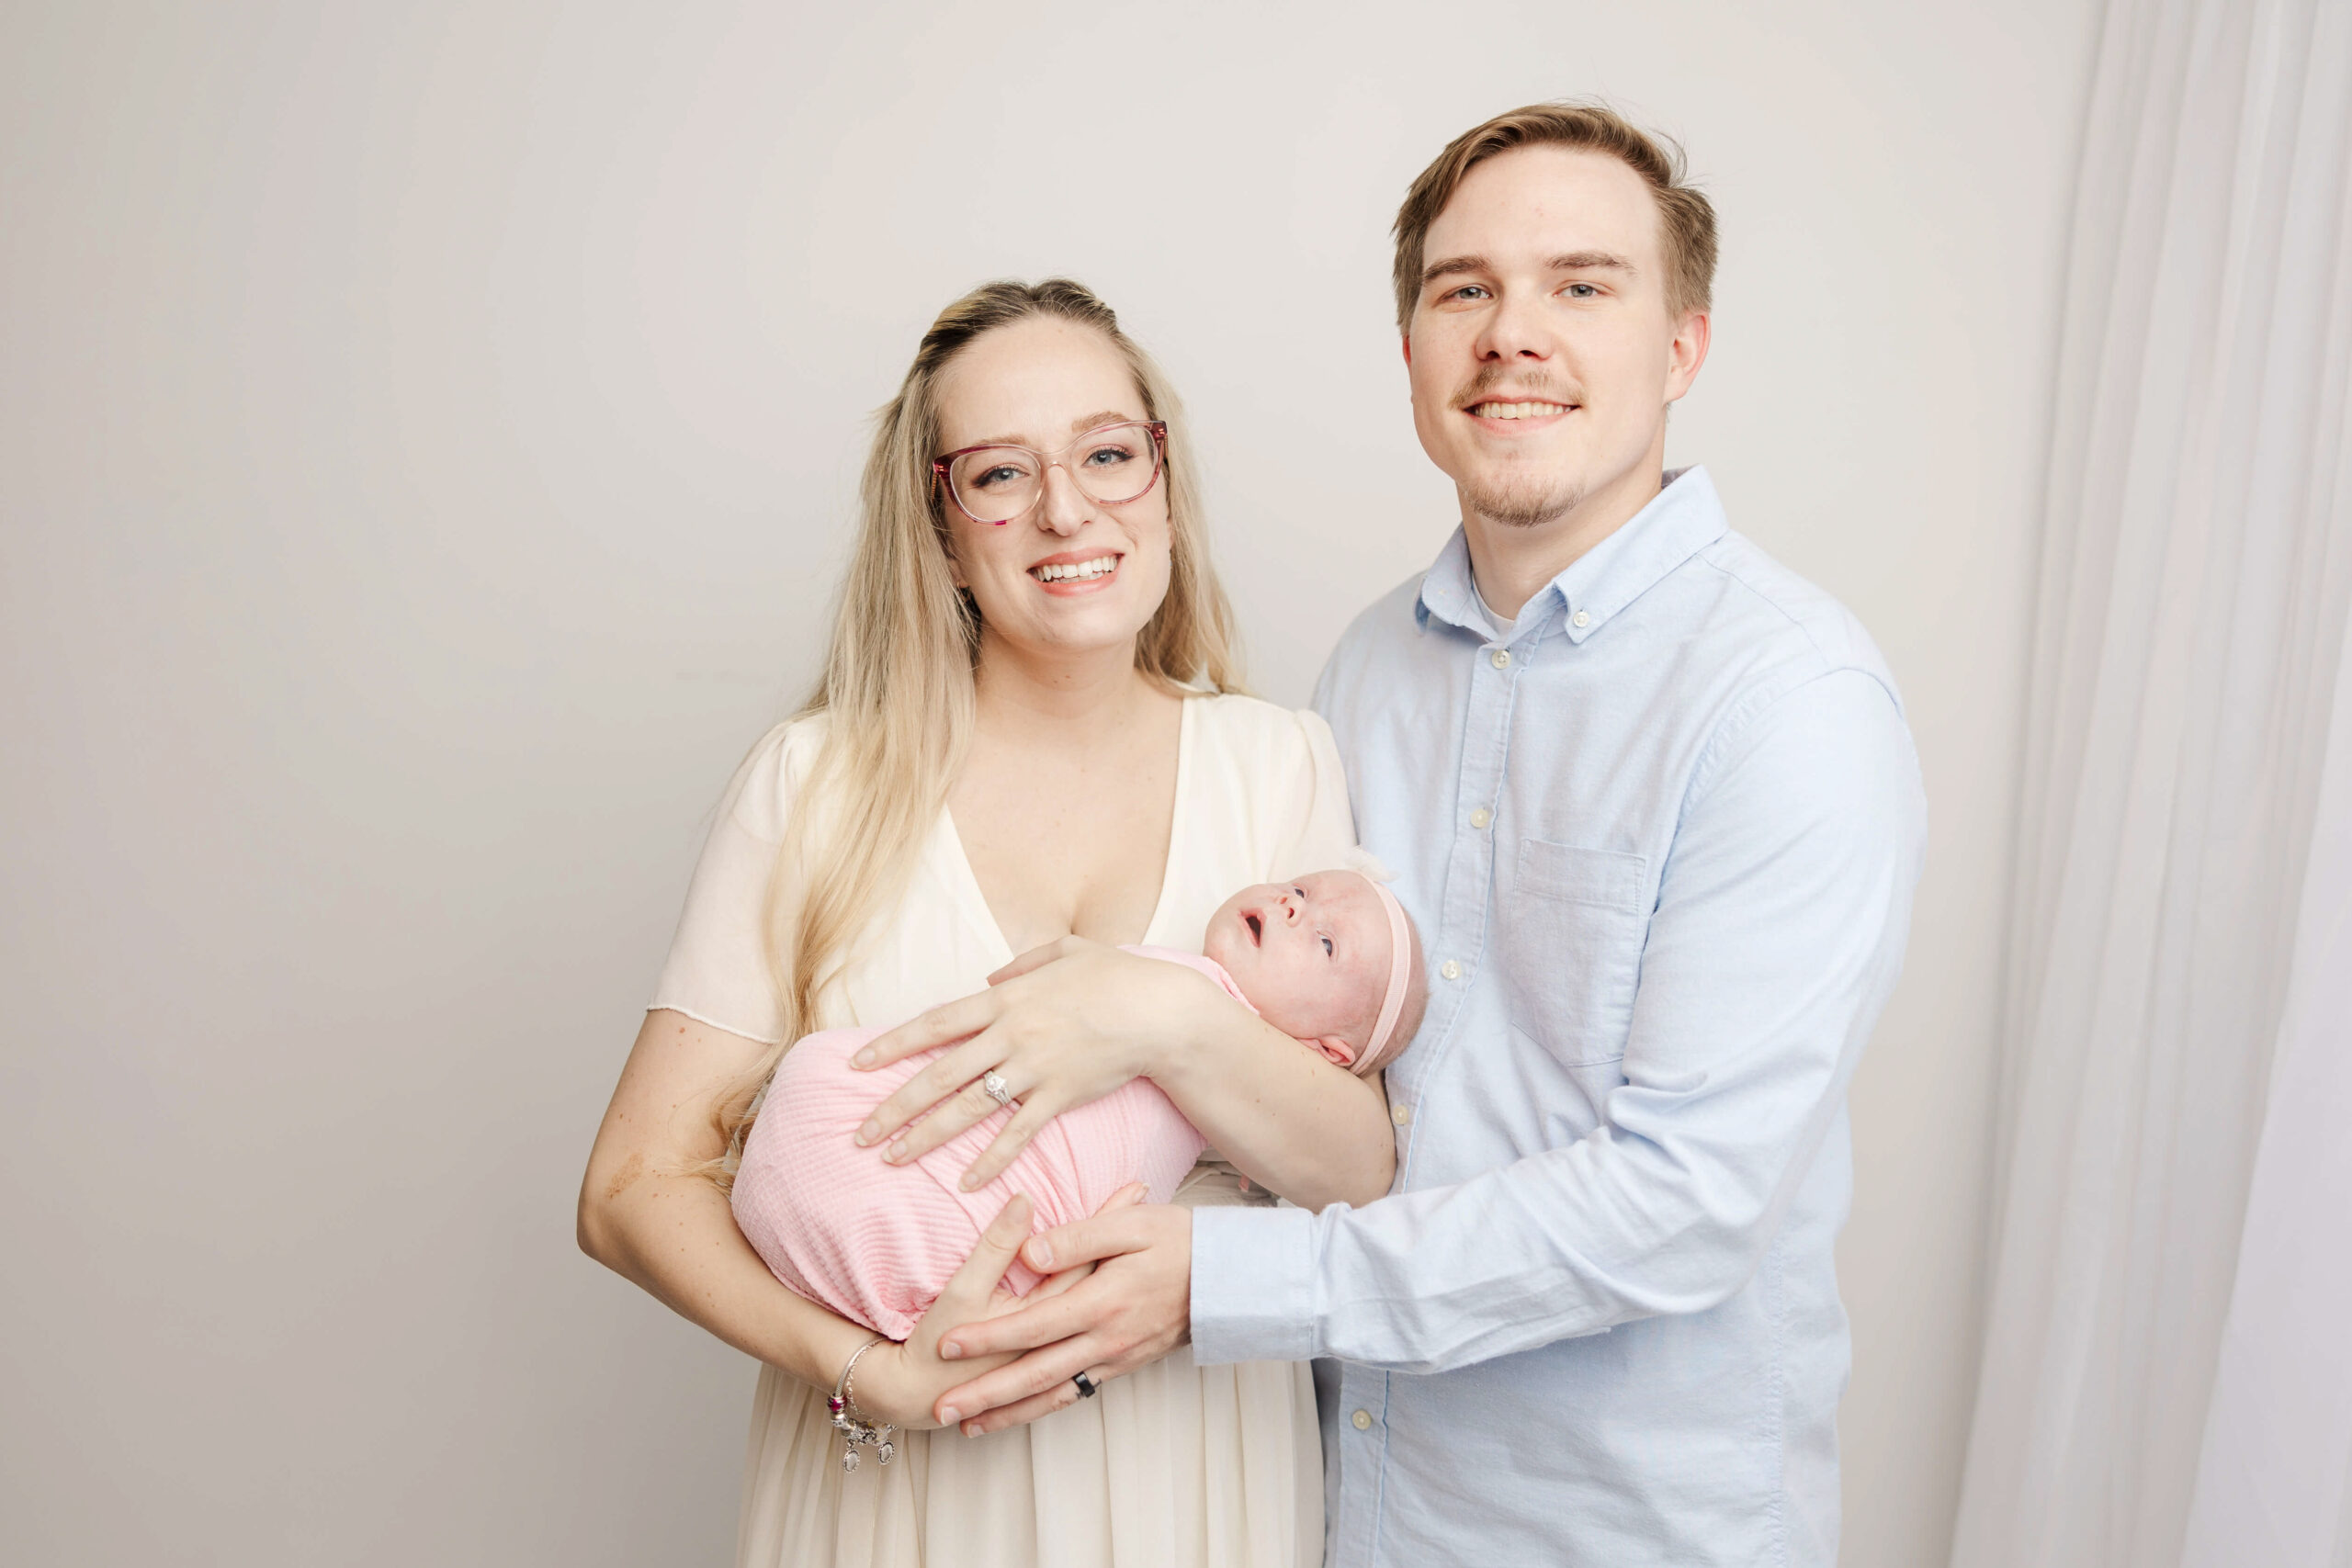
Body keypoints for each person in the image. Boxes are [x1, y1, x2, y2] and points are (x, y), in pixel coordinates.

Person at [855, 103, 1928, 1567]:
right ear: (1414, 350)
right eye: (1464, 289)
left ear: (1682, 346)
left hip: (1633, 1533)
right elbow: (1296, 1064)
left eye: (1583, 285)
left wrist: (1219, 1280)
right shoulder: (1363, 676)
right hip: (1349, 1516)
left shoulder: (1786, 698)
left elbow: (1684, 1206)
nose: (1513, 334)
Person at [576, 279, 1397, 1568]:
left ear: (1163, 481)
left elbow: (1367, 1172)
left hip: (1193, 1483)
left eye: (1108, 454)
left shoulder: (1280, 763)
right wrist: (861, 1369)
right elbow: (629, 1188)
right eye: (1001, 472)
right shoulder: (817, 783)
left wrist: (1164, 1015)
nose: (1067, 509)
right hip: (896, 1492)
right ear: (940, 528)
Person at [730, 869, 1427, 1350]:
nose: (1293, 906)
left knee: (989, 1229)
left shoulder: (1269, 1106)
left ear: (1330, 1054)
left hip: (981, 1257)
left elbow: (1347, 1175)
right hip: (858, 1160)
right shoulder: (1150, 972)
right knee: (838, 1080)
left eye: (1327, 943)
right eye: (1299, 888)